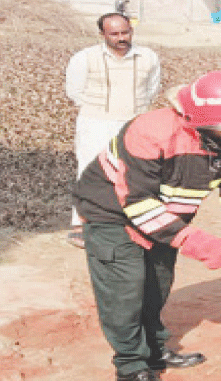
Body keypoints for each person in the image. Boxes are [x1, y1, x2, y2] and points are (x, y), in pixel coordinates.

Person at [73, 71, 221, 381]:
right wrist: (199, 243)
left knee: (157, 284)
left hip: (168, 213)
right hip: (113, 213)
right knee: (125, 291)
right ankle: (131, 367)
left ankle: (155, 351)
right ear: (196, 120)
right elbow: (137, 202)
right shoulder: (149, 132)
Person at [65, 12, 161, 248]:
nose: (121, 38)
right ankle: (81, 223)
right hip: (95, 121)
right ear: (102, 35)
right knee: (90, 170)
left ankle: (126, 222)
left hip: (133, 122)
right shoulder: (84, 58)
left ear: (131, 31)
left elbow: (152, 90)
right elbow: (74, 92)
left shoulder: (148, 57)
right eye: (114, 34)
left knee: (130, 172)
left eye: (125, 32)